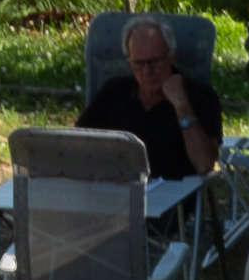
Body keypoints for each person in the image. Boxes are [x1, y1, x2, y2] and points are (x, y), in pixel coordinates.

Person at [79, 9, 219, 180]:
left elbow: (205, 163)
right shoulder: (114, 92)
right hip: (118, 191)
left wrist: (181, 105)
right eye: (138, 63)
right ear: (129, 61)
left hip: (174, 198)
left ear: (171, 57)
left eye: (155, 61)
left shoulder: (200, 96)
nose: (147, 71)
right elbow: (79, 146)